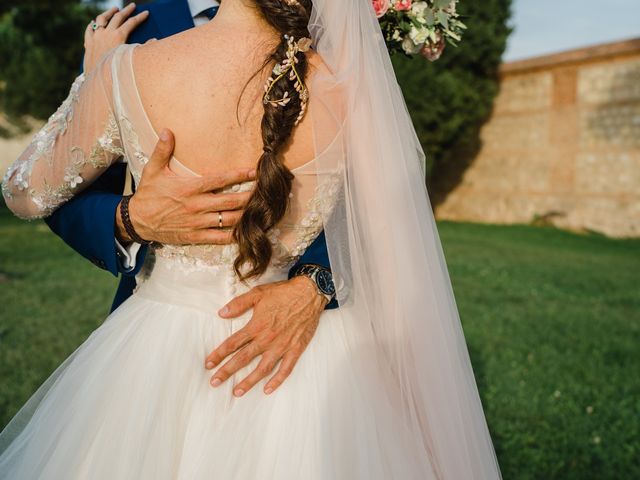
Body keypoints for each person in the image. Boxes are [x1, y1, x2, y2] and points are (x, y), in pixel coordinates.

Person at [0, 0, 503, 478]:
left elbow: (24, 191)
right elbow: (388, 241)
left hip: (160, 348)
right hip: (308, 369)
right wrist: (129, 218)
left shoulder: (126, 67)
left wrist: (94, 75)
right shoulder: (351, 88)